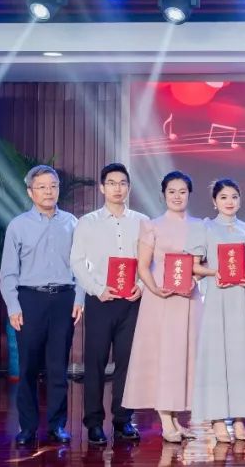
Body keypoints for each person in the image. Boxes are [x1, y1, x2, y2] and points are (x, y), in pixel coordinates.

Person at [0, 165, 85, 445]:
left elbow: (82, 265)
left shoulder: (72, 223)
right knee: (27, 368)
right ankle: (27, 427)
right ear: (30, 192)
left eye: (53, 186)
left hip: (64, 299)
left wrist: (80, 297)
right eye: (42, 187)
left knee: (58, 367)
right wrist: (13, 306)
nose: (49, 192)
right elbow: (8, 271)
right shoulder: (18, 225)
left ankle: (57, 426)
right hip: (30, 300)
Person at [122, 170, 204, 443]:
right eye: (172, 191)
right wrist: (155, 289)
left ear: (189, 194)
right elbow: (143, 266)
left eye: (182, 191)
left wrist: (194, 279)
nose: (177, 196)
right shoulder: (152, 225)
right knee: (163, 355)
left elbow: (201, 263)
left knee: (184, 356)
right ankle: (165, 420)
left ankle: (176, 418)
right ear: (163, 195)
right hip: (160, 296)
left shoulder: (199, 225)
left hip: (188, 296)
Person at [70, 162, 146, 445]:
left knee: (128, 363)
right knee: (96, 363)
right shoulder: (87, 222)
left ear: (129, 187)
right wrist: (98, 289)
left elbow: (150, 260)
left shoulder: (142, 221)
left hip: (132, 301)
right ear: (102, 188)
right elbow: (77, 262)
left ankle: (123, 420)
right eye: (112, 183)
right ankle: (93, 423)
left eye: (123, 183)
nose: (118, 188)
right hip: (101, 299)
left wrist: (141, 285)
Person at [189, 179, 245, 443]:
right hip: (217, 299)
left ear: (240, 200)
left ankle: (241, 417)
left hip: (243, 298)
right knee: (217, 357)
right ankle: (218, 419)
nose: (229, 201)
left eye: (234, 196)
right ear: (214, 201)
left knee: (243, 356)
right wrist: (215, 272)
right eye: (223, 197)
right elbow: (194, 266)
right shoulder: (205, 227)